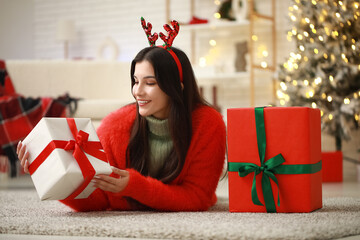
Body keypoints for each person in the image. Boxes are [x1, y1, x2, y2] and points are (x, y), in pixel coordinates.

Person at [16, 19, 226, 212]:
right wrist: (49, 173)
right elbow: (100, 200)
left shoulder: (208, 123)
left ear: (177, 88)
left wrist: (134, 186)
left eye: (150, 83)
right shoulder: (114, 126)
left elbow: (197, 197)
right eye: (135, 81)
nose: (137, 91)